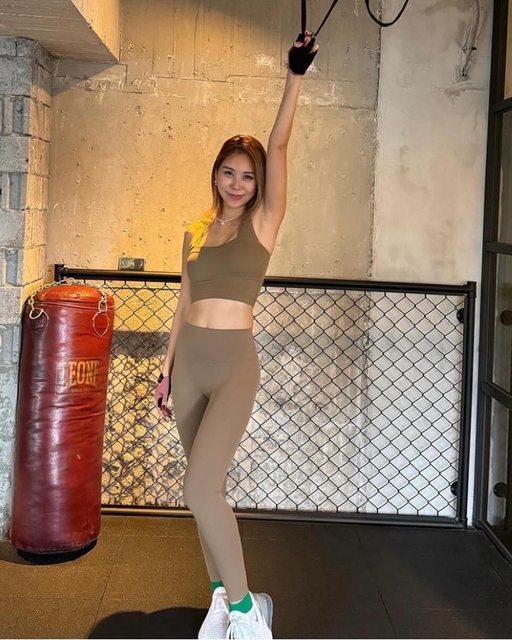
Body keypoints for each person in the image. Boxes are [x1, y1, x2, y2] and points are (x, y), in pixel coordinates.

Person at [154, 33, 319, 640]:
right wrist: (167, 370)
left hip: (233, 366)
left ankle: (250, 611)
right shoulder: (195, 231)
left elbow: (280, 143)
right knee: (208, 494)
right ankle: (221, 599)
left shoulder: (265, 223)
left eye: (248, 176)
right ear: (216, 174)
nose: (237, 183)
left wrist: (294, 76)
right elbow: (184, 302)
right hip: (191, 366)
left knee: (199, 489)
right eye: (229, 172)